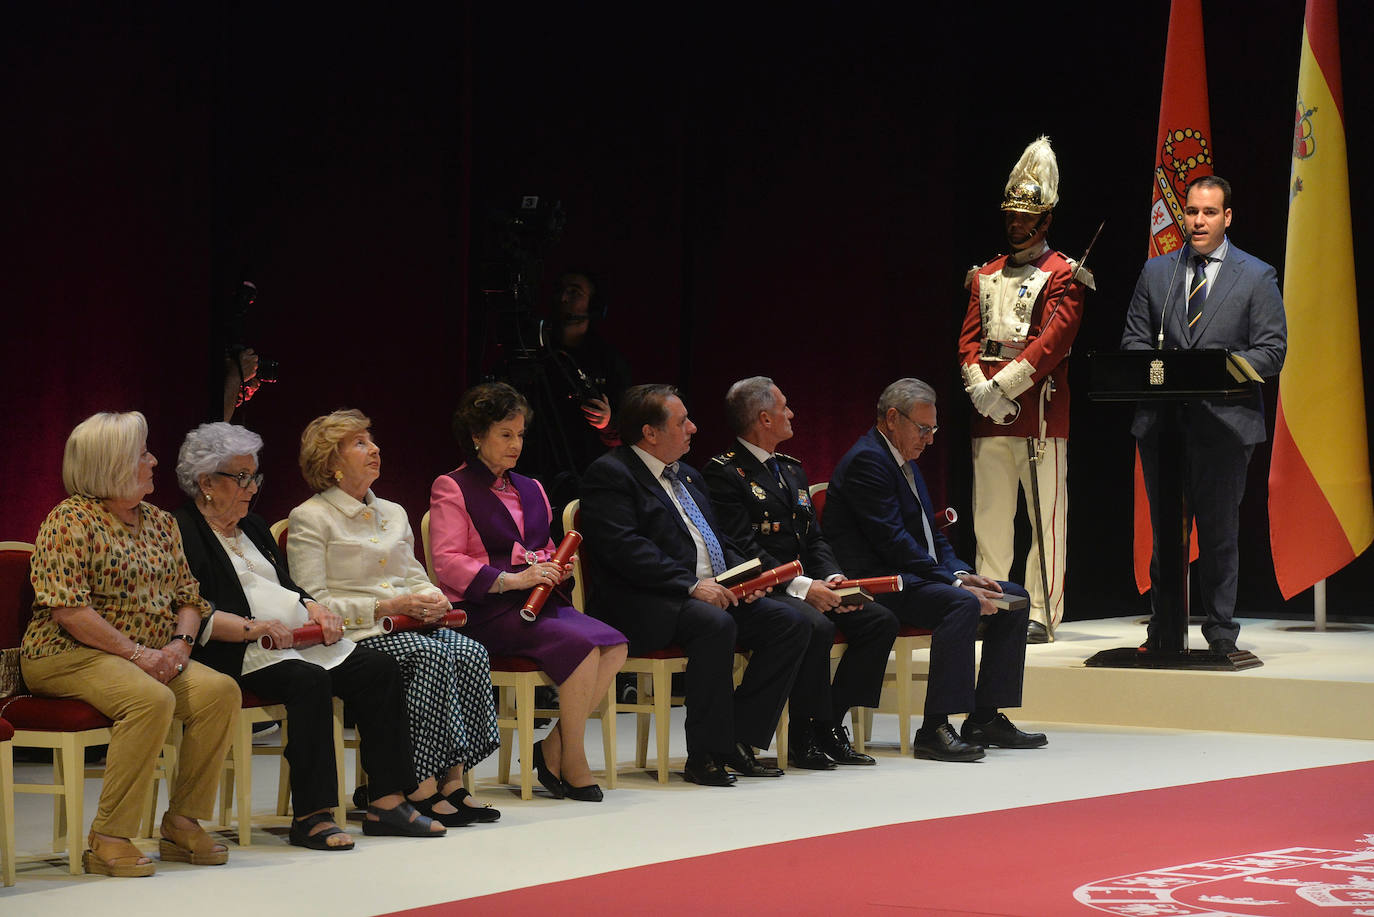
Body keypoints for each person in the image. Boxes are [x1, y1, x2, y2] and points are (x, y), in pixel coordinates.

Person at [173, 422, 446, 846]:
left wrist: (314, 607)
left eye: (254, 477)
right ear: (206, 482)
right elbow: (191, 606)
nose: (252, 488)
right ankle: (313, 814)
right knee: (309, 682)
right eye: (242, 477)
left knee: (378, 667)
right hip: (240, 651)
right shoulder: (182, 531)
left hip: (294, 640)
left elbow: (286, 587)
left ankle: (388, 802)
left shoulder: (254, 527)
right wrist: (254, 628)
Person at [19, 411, 240, 877]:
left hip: (150, 655)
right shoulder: (69, 520)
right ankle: (108, 837)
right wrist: (138, 654)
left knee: (219, 692)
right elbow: (70, 611)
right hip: (66, 655)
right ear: (112, 463)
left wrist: (180, 645)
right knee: (148, 700)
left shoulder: (160, 522)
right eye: (143, 453)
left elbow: (188, 596)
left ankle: (181, 823)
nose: (154, 460)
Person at [579, 384, 809, 787]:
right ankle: (705, 755)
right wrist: (690, 585)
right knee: (715, 625)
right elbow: (626, 550)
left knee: (789, 622)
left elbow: (719, 540)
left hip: (707, 593)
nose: (693, 428)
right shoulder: (611, 473)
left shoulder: (687, 473)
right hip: (646, 601)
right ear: (650, 433)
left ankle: (739, 739)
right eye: (682, 421)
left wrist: (748, 576)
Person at [288, 410, 502, 823]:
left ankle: (452, 781)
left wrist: (433, 599)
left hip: (407, 623)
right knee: (429, 657)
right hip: (357, 634)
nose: (375, 449)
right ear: (331, 461)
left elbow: (413, 575)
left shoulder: (393, 511)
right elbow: (311, 600)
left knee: (470, 652)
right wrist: (384, 607)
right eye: (360, 443)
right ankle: (416, 784)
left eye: (372, 440)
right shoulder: (310, 517)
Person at [822, 380, 1046, 762]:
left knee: (1015, 597)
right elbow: (894, 543)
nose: (929, 439)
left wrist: (961, 573)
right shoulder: (868, 461)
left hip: (912, 575)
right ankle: (934, 729)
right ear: (892, 419)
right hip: (880, 581)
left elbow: (930, 536)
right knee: (960, 606)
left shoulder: (903, 460)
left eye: (933, 430)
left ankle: (985, 717)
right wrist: (953, 585)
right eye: (922, 429)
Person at [429, 382, 628, 802]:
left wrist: (557, 565)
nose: (516, 444)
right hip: (488, 608)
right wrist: (513, 580)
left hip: (537, 603)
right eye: (505, 434)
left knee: (615, 645)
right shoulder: (453, 485)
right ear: (477, 435)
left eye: (520, 435)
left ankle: (553, 746)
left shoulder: (532, 487)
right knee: (583, 648)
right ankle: (572, 757)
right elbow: (447, 561)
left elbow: (544, 546)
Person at [1120, 175, 1287, 656]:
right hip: (1163, 428)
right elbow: (1134, 344)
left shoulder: (1256, 276)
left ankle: (1219, 634)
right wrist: (1164, 375)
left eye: (1209, 213)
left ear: (1227, 217)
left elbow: (1272, 351)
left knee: (1218, 536)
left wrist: (1222, 370)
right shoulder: (1158, 273)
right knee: (1167, 534)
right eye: (1192, 211)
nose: (1198, 221)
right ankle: (1164, 631)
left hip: (1225, 428)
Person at [705, 377, 898, 768]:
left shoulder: (791, 469)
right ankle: (799, 734)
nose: (791, 414)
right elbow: (743, 548)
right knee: (816, 625)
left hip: (807, 583)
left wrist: (830, 577)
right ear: (764, 418)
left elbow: (814, 538)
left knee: (879, 621)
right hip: (764, 587)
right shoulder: (723, 473)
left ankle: (829, 723)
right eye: (784, 408)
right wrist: (802, 586)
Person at [957, 136, 1091, 643]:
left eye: (1024, 217)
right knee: (989, 516)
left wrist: (1004, 387)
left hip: (1037, 411)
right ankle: (992, 604)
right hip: (988, 411)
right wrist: (980, 388)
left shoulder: (1065, 274)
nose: (1015, 224)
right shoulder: (984, 273)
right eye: (1010, 215)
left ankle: (1041, 611)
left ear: (1044, 220)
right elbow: (969, 339)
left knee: (1045, 519)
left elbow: (1052, 342)